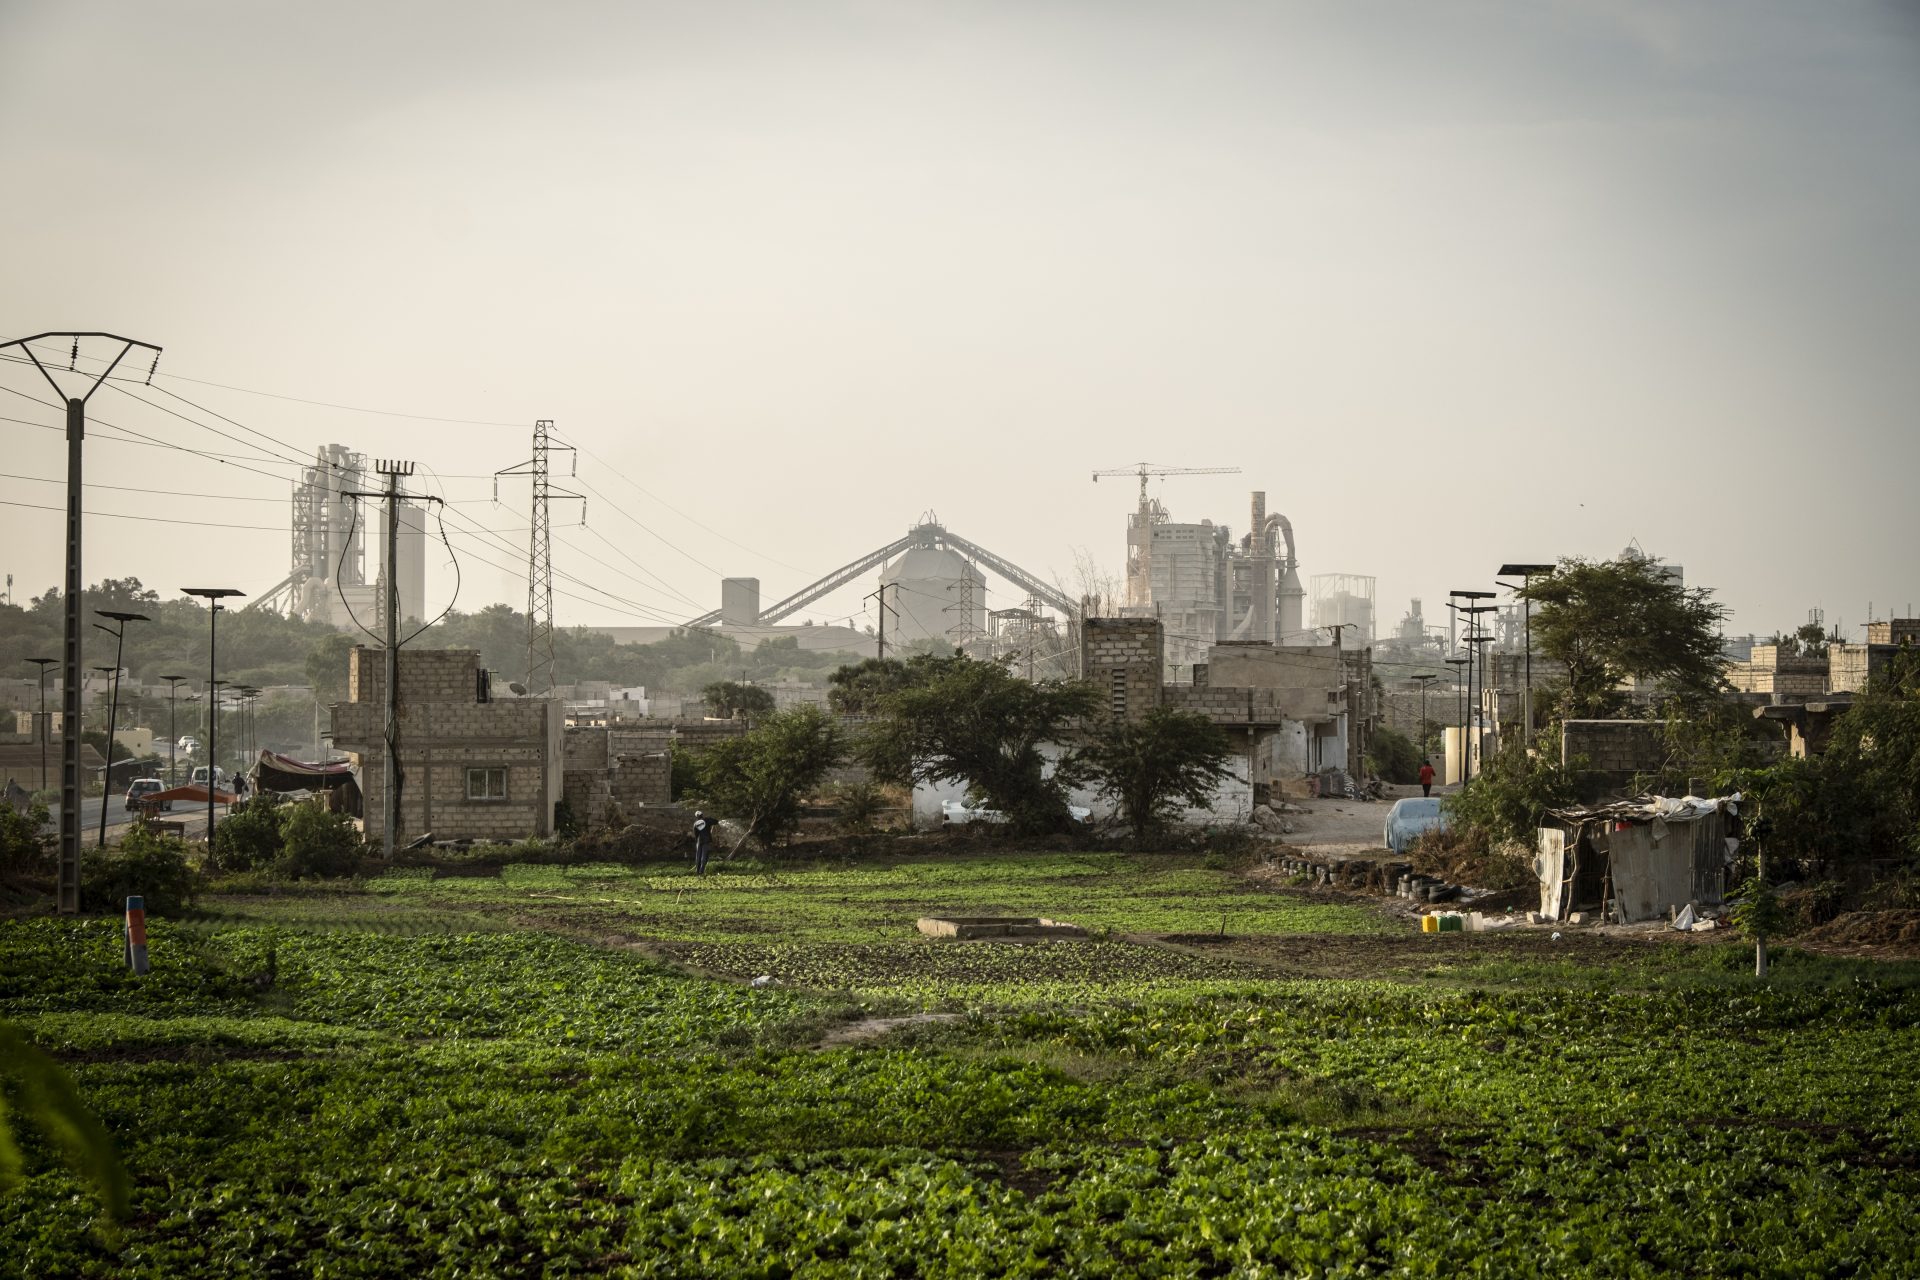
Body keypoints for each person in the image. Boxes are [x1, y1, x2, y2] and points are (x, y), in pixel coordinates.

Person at [691, 809, 714, 876]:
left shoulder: (695, 823)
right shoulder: (707, 820)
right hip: (706, 840)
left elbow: (695, 834)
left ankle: (697, 871)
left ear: (696, 816)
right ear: (702, 815)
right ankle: (701, 871)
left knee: (698, 856)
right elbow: (715, 821)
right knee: (704, 856)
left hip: (699, 841)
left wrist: (697, 840)